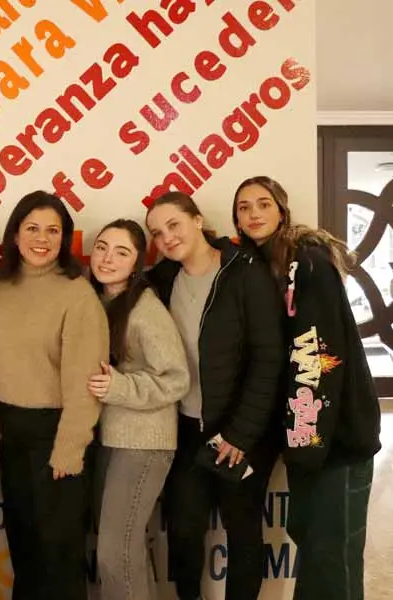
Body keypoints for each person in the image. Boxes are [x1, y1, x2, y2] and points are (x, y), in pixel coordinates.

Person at [233, 175, 382, 600]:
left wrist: (305, 445)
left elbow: (317, 357)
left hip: (338, 439)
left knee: (331, 555)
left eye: (263, 204)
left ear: (281, 210)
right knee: (314, 544)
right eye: (244, 207)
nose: (254, 213)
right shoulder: (264, 265)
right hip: (310, 439)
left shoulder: (307, 261)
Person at [145, 191, 285, 600]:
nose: (167, 238)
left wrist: (241, 435)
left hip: (243, 433)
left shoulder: (245, 272)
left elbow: (269, 359)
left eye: (174, 225)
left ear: (198, 219)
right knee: (184, 533)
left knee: (242, 534)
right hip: (187, 431)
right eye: (157, 233)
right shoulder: (162, 279)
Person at [0, 190, 109, 600]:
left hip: (57, 437)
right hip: (13, 438)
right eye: (32, 228)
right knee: (25, 552)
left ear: (65, 238)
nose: (43, 238)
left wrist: (69, 450)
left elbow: (83, 383)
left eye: (53, 230)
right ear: (15, 235)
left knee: (59, 558)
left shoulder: (77, 294)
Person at [86, 219, 190, 600]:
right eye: (101, 247)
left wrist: (120, 386)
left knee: (116, 552)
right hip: (111, 437)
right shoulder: (96, 300)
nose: (107, 258)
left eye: (121, 252)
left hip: (144, 441)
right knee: (123, 548)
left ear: (138, 263)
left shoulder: (146, 308)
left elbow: (176, 378)